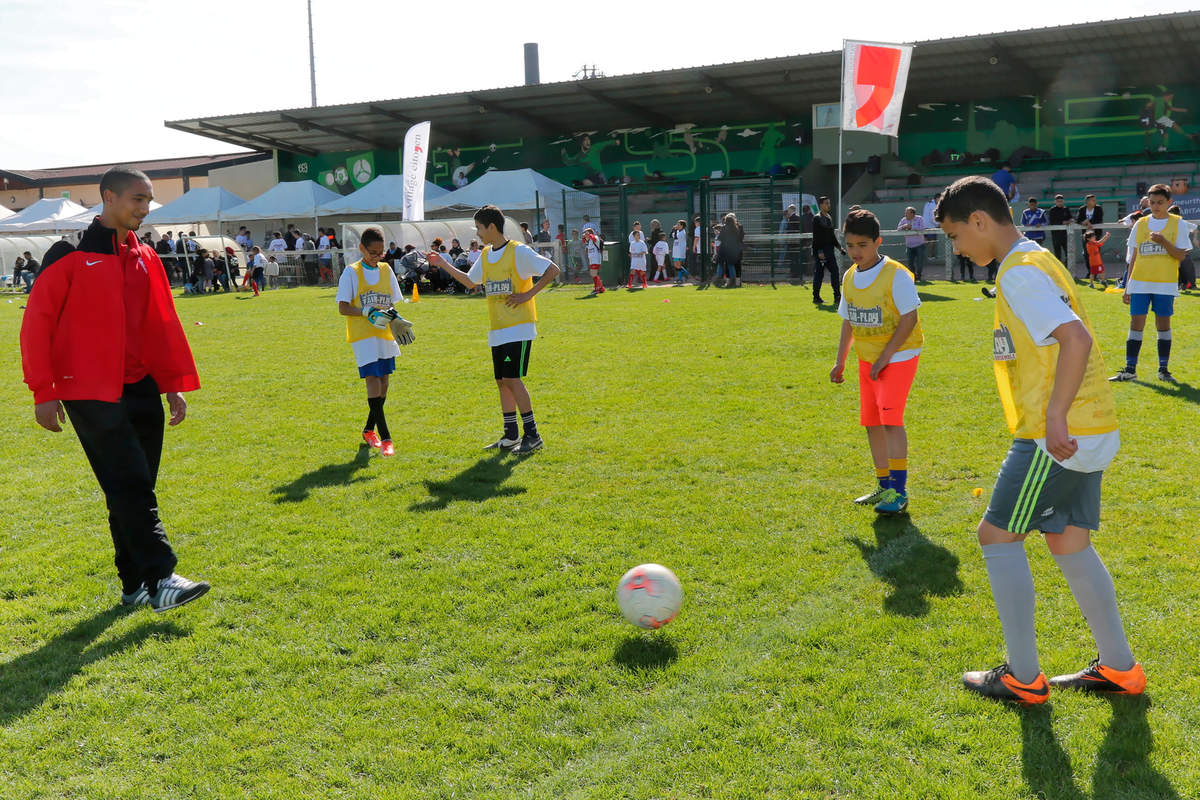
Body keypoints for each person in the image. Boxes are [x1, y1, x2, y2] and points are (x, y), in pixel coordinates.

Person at [935, 175, 1143, 705]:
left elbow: (1074, 338)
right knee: (1068, 540)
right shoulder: (1035, 260)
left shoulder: (1020, 272)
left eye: (956, 236)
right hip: (1091, 428)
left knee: (996, 536)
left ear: (979, 221)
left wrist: (1053, 416)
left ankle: (1022, 677)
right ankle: (1119, 667)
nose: (956, 248)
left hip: (1059, 436)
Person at [19, 166, 209, 612]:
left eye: (147, 201)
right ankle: (162, 577)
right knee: (129, 483)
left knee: (132, 486)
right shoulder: (67, 255)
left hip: (141, 385)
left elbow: (160, 324)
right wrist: (42, 392)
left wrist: (170, 384)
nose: (144, 208)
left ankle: (132, 586)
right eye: (136, 200)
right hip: (87, 391)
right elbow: (36, 327)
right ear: (108, 197)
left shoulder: (145, 256)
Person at [426, 204, 561, 455]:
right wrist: (441, 263)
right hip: (498, 329)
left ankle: (533, 434)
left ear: (491, 227)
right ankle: (511, 435)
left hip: (518, 327)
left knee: (512, 378)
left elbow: (552, 269)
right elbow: (470, 281)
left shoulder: (518, 252)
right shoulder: (487, 254)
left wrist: (527, 295)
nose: (477, 233)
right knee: (501, 382)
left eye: (479, 228)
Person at [829, 208, 923, 515]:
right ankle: (883, 485)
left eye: (863, 245)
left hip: (898, 356)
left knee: (891, 422)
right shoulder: (848, 277)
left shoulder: (896, 274)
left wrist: (886, 357)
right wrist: (840, 361)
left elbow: (909, 319)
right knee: (872, 424)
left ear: (878, 242)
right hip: (867, 360)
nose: (856, 251)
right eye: (851, 245)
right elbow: (848, 322)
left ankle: (899, 491)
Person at [335, 226, 412, 458]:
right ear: (361, 248)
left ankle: (369, 430)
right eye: (373, 252)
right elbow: (343, 307)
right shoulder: (351, 272)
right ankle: (386, 438)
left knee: (385, 383)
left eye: (381, 252)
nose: (378, 256)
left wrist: (396, 319)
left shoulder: (386, 270)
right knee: (374, 382)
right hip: (363, 336)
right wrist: (366, 311)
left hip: (384, 334)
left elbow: (391, 303)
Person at [1111, 183, 1191, 383]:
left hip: (1164, 284)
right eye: (1152, 202)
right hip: (1139, 282)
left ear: (1169, 202)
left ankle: (1163, 371)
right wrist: (1127, 286)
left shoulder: (1179, 224)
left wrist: (1164, 242)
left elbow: (1181, 255)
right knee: (1135, 323)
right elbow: (1134, 257)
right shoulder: (1141, 223)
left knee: (1162, 325)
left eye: (1160, 202)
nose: (1156, 206)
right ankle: (1130, 370)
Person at [812, 196, 846, 305]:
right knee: (819, 274)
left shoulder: (829, 217)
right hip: (820, 251)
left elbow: (832, 236)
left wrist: (840, 247)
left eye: (829, 203)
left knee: (835, 272)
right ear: (821, 205)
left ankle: (837, 296)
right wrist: (820, 252)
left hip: (829, 251)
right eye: (826, 203)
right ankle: (816, 297)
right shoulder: (817, 218)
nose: (828, 205)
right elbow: (817, 238)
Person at [897, 207, 928, 281]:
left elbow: (923, 228)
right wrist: (904, 226)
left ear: (912, 213)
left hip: (919, 244)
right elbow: (898, 229)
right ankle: (913, 277)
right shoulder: (903, 220)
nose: (905, 214)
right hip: (909, 245)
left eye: (907, 213)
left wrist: (911, 227)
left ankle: (919, 275)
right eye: (905, 213)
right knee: (910, 263)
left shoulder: (920, 219)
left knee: (919, 262)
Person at [718, 212, 745, 288]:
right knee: (737, 266)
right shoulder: (739, 227)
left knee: (729, 265)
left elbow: (721, 238)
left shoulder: (726, 227)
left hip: (728, 249)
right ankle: (737, 283)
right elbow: (741, 237)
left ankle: (730, 282)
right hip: (737, 249)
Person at [1046, 194, 1073, 267]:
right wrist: (1062, 222)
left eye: (1061, 201)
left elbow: (1070, 218)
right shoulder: (1052, 210)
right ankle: (1059, 269)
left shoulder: (1066, 209)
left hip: (1065, 235)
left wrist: (1070, 220)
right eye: (1058, 201)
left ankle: (1066, 268)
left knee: (1069, 253)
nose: (1060, 203)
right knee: (1058, 254)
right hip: (1056, 235)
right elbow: (1051, 222)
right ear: (1055, 202)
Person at [583, 227, 604, 293]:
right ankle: (601, 288)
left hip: (596, 259)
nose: (585, 235)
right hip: (592, 259)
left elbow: (593, 238)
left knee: (593, 274)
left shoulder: (595, 237)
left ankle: (596, 289)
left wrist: (588, 235)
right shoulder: (589, 241)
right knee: (593, 274)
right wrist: (585, 237)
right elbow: (583, 241)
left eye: (586, 233)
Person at [671, 219, 691, 284]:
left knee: (678, 265)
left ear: (682, 226)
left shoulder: (682, 232)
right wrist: (673, 229)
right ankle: (687, 274)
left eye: (678, 225)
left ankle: (680, 279)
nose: (677, 226)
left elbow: (676, 237)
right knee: (676, 265)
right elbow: (671, 235)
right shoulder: (678, 231)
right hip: (675, 250)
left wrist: (675, 230)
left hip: (679, 251)